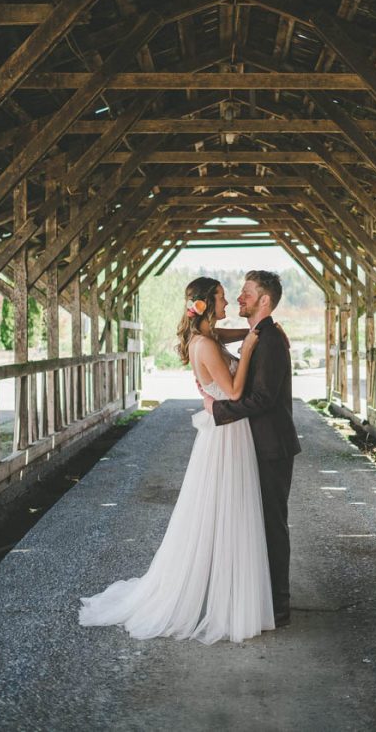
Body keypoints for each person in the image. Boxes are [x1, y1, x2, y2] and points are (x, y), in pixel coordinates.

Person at [79, 277, 275, 644]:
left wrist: (257, 329)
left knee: (224, 511)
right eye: (220, 298)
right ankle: (220, 598)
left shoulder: (207, 338)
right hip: (226, 436)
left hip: (226, 433)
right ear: (204, 303)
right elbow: (232, 392)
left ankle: (223, 591)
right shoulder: (207, 346)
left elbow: (226, 333)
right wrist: (248, 349)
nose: (227, 302)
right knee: (226, 511)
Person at [202, 271, 301, 628]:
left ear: (264, 300)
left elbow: (262, 398)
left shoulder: (272, 342)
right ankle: (261, 599)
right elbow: (206, 333)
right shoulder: (261, 335)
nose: (239, 298)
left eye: (246, 293)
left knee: (273, 525)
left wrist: (219, 410)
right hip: (255, 445)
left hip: (271, 446)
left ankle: (279, 607)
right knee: (255, 524)